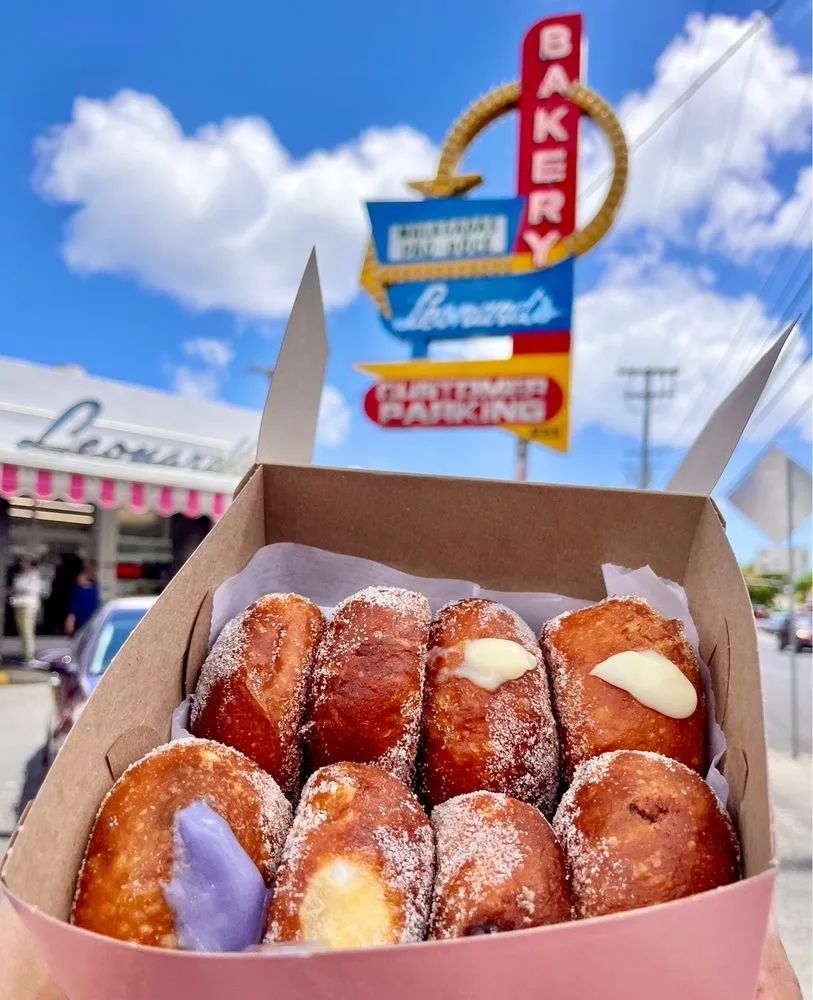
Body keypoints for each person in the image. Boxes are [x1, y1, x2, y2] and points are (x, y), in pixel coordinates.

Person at [9, 556, 45, 663]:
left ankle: (29, 656)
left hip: (28, 605)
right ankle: (24, 654)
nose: (22, 564)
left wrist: (18, 590)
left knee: (27, 630)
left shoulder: (34, 575)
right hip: (18, 604)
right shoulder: (21, 575)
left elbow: (33, 589)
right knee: (22, 630)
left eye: (25, 562)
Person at [65, 561, 100, 636]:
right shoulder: (80, 590)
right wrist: (71, 620)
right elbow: (74, 608)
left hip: (90, 617)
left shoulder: (93, 588)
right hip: (84, 619)